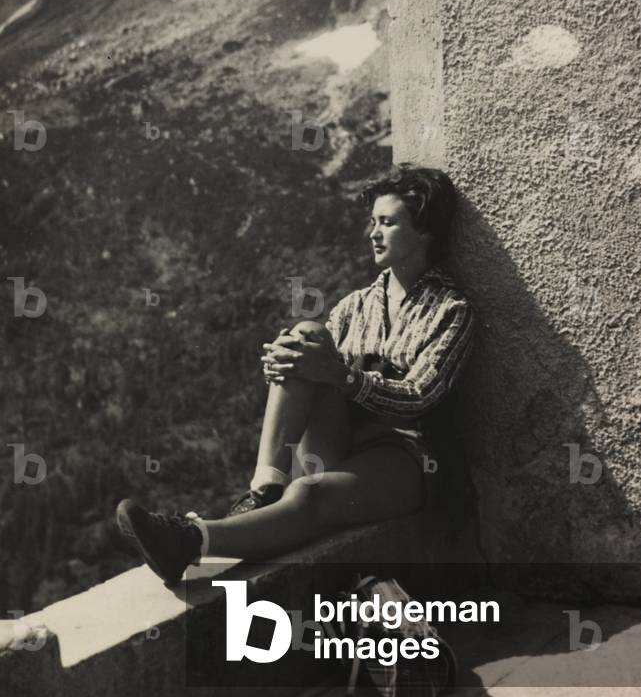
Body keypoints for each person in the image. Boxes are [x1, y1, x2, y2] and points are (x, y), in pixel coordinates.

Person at [116, 164, 475, 586]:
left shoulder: (451, 311)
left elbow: (420, 396)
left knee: (309, 494)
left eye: (388, 223)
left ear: (425, 232)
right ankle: (264, 488)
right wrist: (282, 365)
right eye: (372, 222)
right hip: (345, 440)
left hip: (409, 456)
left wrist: (339, 376)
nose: (372, 234)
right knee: (306, 334)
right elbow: (315, 371)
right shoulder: (356, 305)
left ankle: (191, 539)